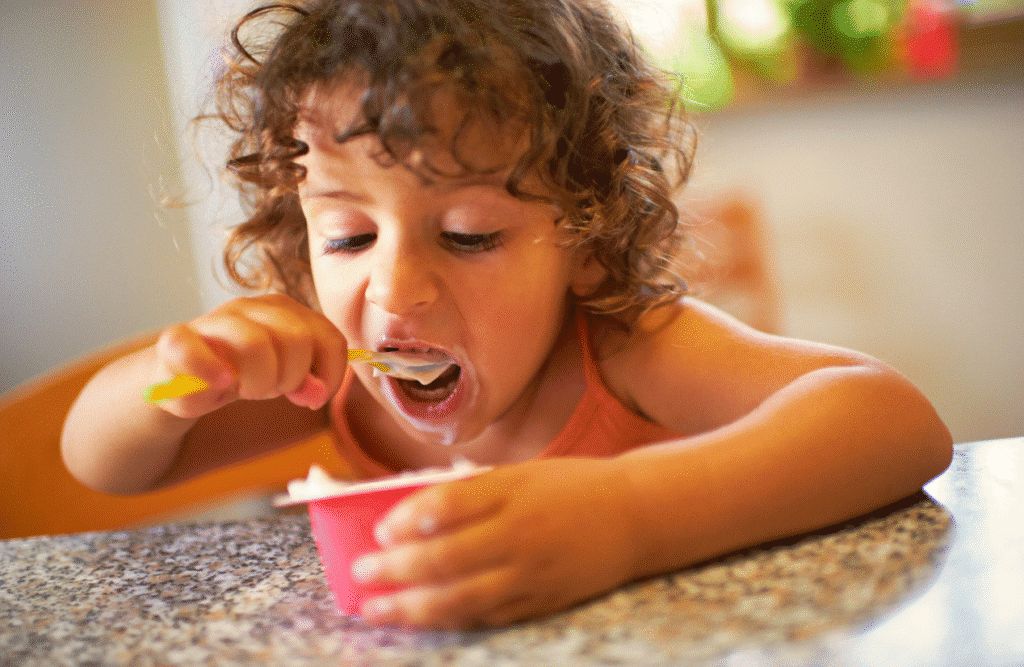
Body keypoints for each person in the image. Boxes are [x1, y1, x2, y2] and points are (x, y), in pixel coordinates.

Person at [61, 0, 952, 629]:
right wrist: (169, 383)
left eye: (469, 234)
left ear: (587, 238)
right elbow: (108, 465)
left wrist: (628, 517)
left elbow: (893, 420)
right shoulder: (334, 375)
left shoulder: (627, 351)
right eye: (347, 237)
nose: (395, 289)